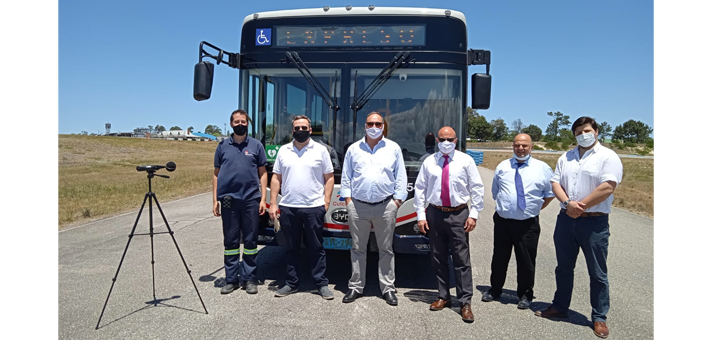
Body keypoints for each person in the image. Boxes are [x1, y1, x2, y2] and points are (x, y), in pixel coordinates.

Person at [535, 117, 623, 339]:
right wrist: (567, 204)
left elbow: (608, 186)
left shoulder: (608, 156)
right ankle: (560, 306)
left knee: (597, 272)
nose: (583, 134)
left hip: (594, 222)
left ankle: (599, 317)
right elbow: (555, 182)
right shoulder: (567, 156)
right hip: (566, 220)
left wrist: (581, 206)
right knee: (563, 267)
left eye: (587, 130)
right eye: (578, 132)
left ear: (596, 131)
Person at [414, 126, 484, 323]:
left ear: (456, 140)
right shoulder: (429, 161)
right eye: (442, 139)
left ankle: (465, 302)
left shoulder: (466, 160)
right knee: (438, 258)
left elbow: (477, 187)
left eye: (450, 139)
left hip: (458, 214)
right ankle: (443, 296)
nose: (446, 142)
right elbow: (420, 188)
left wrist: (474, 214)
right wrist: (421, 215)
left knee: (462, 260)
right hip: (435, 213)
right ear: (437, 140)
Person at [340, 112, 408, 306]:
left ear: (383, 126)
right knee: (357, 248)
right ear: (365, 126)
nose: (374, 127)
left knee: (386, 249)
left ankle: (388, 288)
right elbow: (346, 176)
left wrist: (397, 201)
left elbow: (401, 176)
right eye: (370, 123)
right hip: (358, 206)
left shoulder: (393, 148)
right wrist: (348, 200)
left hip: (386, 206)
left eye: (378, 124)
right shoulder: (354, 149)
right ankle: (355, 286)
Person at [483, 133, 554, 309]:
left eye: (524, 145)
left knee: (526, 261)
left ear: (531, 147)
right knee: (499, 258)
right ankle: (495, 290)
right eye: (517, 145)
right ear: (512, 146)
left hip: (527, 224)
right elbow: (495, 192)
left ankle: (525, 294)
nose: (520, 148)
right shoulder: (502, 166)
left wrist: (533, 209)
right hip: (503, 222)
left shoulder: (542, 168)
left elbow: (549, 194)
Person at [268, 115, 335, 300]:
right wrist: (273, 202)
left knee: (316, 247)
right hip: (289, 207)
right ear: (292, 131)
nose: (300, 131)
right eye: (297, 128)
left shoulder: (321, 150)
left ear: (310, 130)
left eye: (304, 127)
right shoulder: (283, 151)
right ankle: (291, 283)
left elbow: (329, 178)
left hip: (314, 207)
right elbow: (276, 178)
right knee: (291, 248)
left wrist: (326, 202)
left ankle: (321, 283)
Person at [213, 109, 268, 295]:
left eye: (243, 121)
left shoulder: (256, 145)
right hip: (228, 200)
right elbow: (216, 174)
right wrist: (215, 200)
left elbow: (263, 173)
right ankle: (231, 279)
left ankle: (249, 278)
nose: (240, 124)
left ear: (248, 123)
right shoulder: (222, 146)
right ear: (231, 124)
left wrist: (263, 199)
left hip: (251, 200)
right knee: (230, 241)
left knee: (251, 241)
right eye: (236, 121)